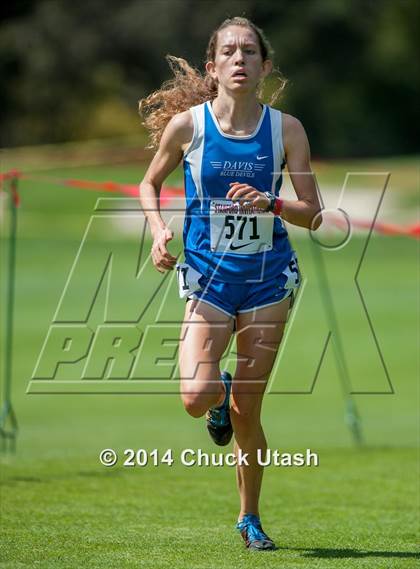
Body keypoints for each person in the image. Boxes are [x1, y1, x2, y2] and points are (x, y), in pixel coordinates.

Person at [139, 16, 321, 551]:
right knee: (197, 396)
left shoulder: (286, 130)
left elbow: (313, 214)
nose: (239, 59)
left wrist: (273, 202)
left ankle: (250, 518)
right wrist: (156, 232)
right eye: (229, 52)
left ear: (264, 66)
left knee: (249, 411)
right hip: (208, 278)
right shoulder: (189, 127)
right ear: (213, 66)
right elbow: (149, 183)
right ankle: (217, 398)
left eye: (249, 52)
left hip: (267, 282)